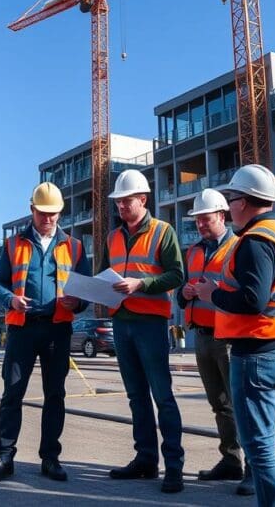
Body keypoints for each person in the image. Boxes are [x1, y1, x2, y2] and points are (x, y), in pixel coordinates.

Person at [194, 166, 275, 507]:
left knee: (260, 445)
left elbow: (253, 300)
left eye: (232, 199)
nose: (231, 205)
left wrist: (212, 295)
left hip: (259, 355)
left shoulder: (255, 241)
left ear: (244, 202)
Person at [0, 182, 90, 483]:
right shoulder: (14, 244)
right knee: (12, 393)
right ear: (32, 211)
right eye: (43, 213)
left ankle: (50, 459)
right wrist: (10, 300)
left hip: (58, 329)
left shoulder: (75, 246)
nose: (48, 219)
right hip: (22, 329)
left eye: (54, 214)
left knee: (55, 395)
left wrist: (77, 301)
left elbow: (87, 290)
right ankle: (4, 457)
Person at [100, 169, 186, 494]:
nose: (121, 207)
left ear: (143, 199)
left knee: (162, 396)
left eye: (126, 201)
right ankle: (146, 460)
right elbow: (108, 273)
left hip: (150, 323)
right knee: (136, 396)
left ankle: (174, 467)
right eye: (118, 202)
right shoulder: (112, 237)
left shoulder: (163, 232)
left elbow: (177, 275)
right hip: (121, 323)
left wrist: (142, 284)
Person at [177, 188, 253, 495]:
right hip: (202, 336)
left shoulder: (239, 247)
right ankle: (231, 460)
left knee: (241, 404)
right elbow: (182, 291)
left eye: (205, 219)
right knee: (219, 404)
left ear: (222, 216)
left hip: (229, 338)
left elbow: (246, 291)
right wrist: (184, 294)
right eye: (197, 220)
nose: (200, 225)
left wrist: (215, 288)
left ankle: (253, 468)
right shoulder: (193, 251)